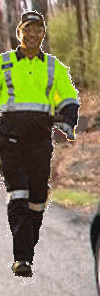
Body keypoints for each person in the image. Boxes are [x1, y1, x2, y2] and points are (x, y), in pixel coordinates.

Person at [1, 10, 79, 278]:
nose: (33, 34)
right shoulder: (4, 64)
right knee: (19, 196)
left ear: (43, 34)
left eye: (38, 29)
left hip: (40, 143)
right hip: (10, 142)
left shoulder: (53, 67)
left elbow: (68, 96)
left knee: (36, 199)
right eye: (27, 29)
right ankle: (22, 258)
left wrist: (68, 120)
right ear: (19, 32)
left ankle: (27, 245)